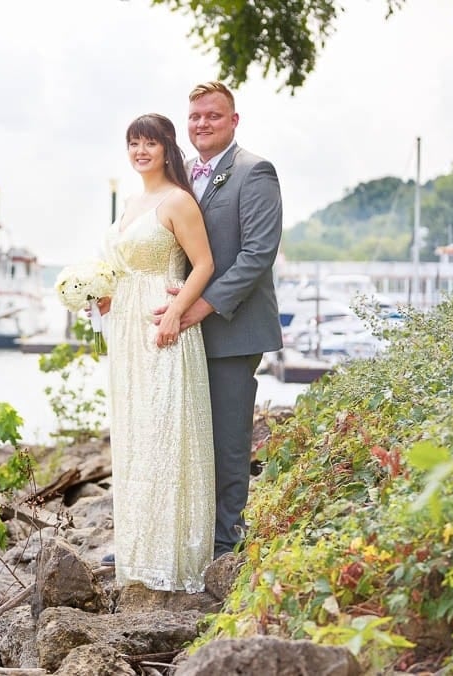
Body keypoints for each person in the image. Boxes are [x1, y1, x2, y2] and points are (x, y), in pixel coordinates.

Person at [158, 81, 284, 559]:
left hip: (232, 328)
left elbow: (256, 255)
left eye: (213, 115)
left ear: (234, 121)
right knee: (187, 435)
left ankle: (226, 544)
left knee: (228, 437)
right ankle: (187, 533)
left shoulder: (256, 172)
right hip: (184, 328)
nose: (202, 123)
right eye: (195, 117)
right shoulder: (183, 175)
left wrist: (199, 307)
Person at [98, 113, 217, 592]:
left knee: (167, 433)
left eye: (149, 143)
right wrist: (100, 292)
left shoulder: (177, 201)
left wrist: (175, 314)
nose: (140, 151)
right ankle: (137, 551)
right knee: (135, 432)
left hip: (161, 325)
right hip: (124, 328)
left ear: (167, 148)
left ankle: (175, 557)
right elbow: (119, 266)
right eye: (133, 143)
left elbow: (204, 264)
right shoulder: (130, 202)